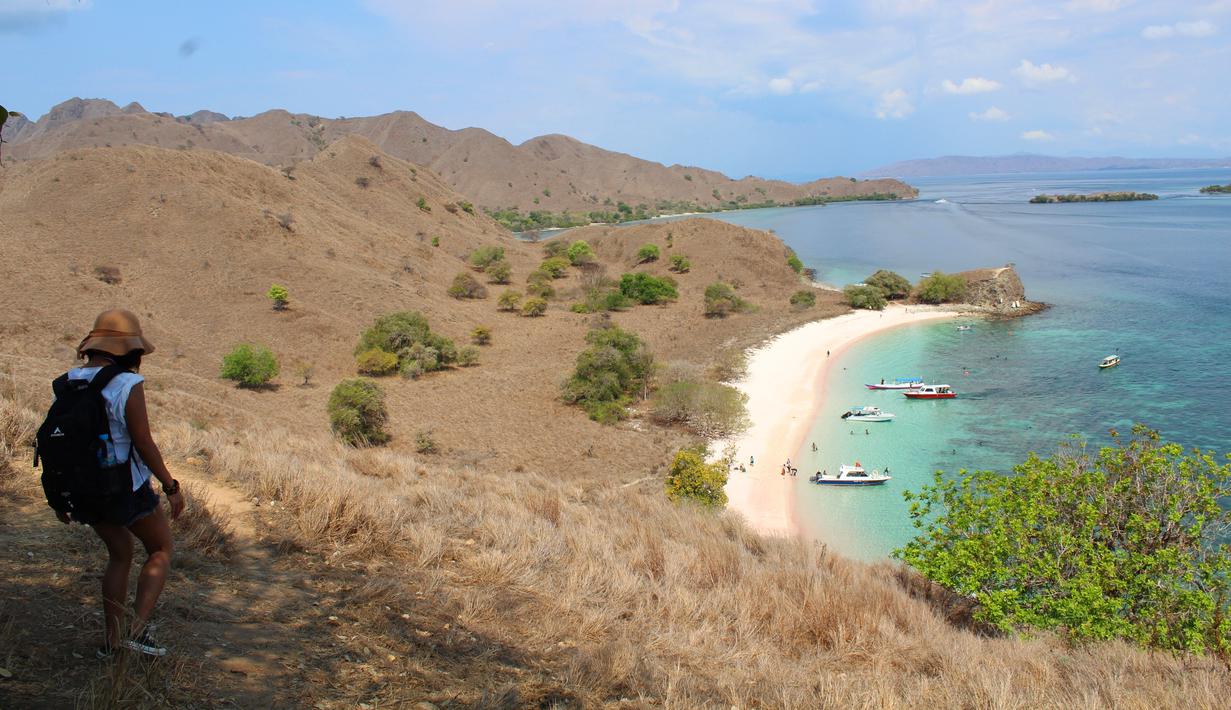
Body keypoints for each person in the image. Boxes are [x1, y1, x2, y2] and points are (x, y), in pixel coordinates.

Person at [55, 309, 185, 658]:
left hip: (84, 488)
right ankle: (137, 631)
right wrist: (170, 486)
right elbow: (143, 442)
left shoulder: (69, 380)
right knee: (160, 549)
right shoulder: (127, 383)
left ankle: (112, 643)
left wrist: (59, 498)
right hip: (124, 487)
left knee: (119, 555)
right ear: (130, 350)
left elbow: (59, 441)